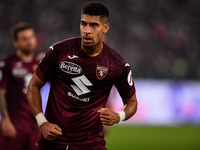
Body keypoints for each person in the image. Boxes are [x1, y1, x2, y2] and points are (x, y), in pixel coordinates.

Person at [27, 1, 138, 150]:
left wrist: (119, 116)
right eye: (83, 24)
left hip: (90, 143)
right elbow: (33, 85)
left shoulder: (117, 65)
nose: (87, 30)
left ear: (106, 28)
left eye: (94, 25)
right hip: (52, 140)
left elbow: (132, 102)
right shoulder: (58, 51)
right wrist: (42, 122)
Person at [0, 22, 40, 150]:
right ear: (15, 42)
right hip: (14, 126)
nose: (29, 41)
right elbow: (1, 93)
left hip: (34, 128)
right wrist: (5, 120)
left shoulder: (40, 65)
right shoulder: (7, 63)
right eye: (24, 39)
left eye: (31, 37)